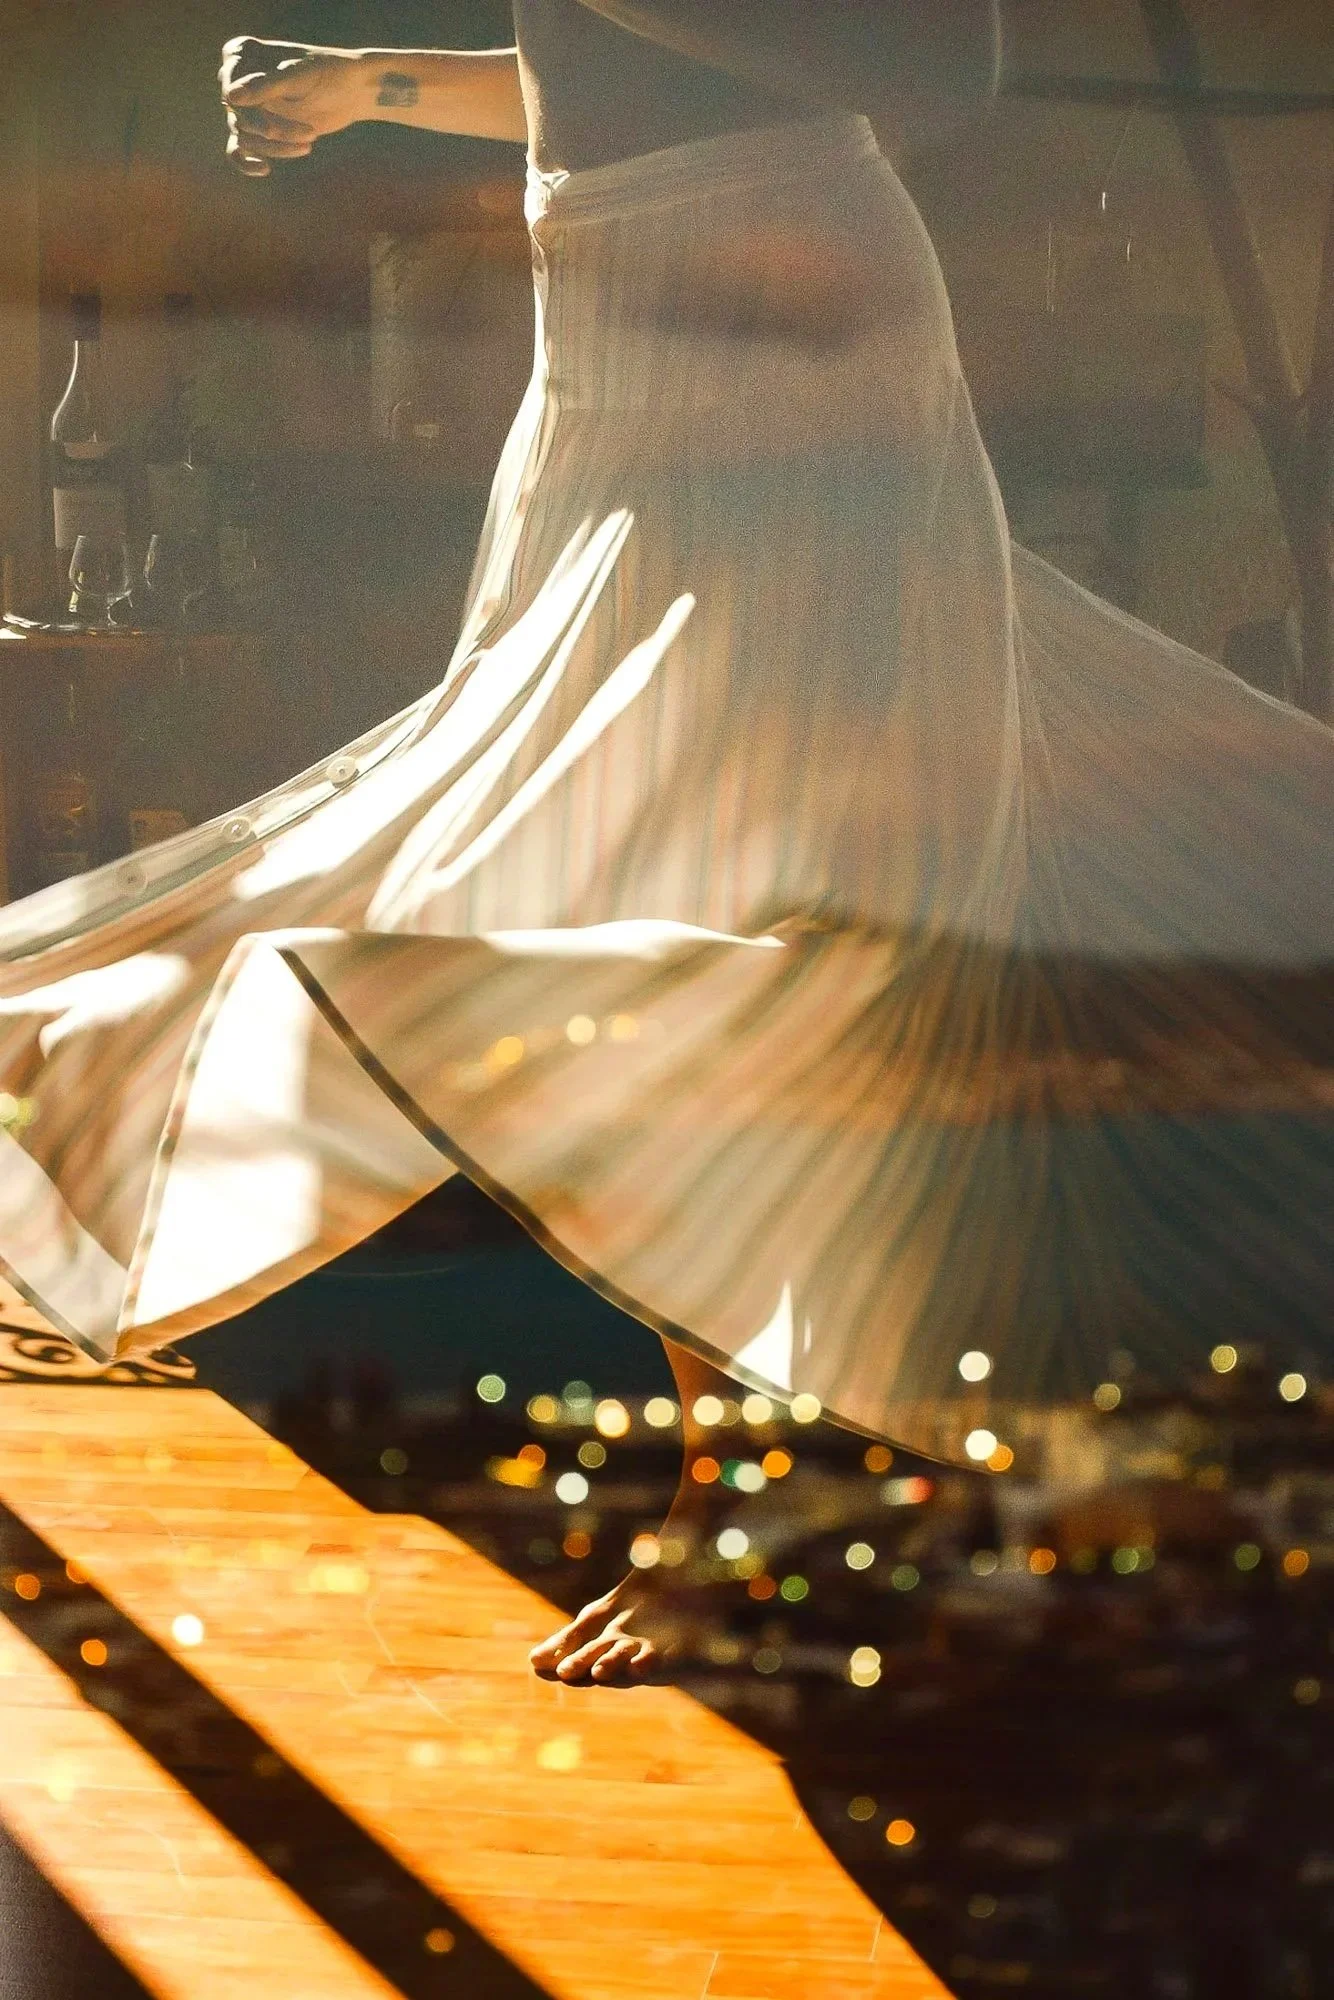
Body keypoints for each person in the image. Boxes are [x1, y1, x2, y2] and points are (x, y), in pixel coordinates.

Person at [2, 5, 1331, 1689]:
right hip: (607, 343)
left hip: (781, 323)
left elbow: (944, 64)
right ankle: (803, 1457)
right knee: (625, 869)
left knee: (753, 896)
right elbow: (598, 72)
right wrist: (376, 90)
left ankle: (760, 1492)